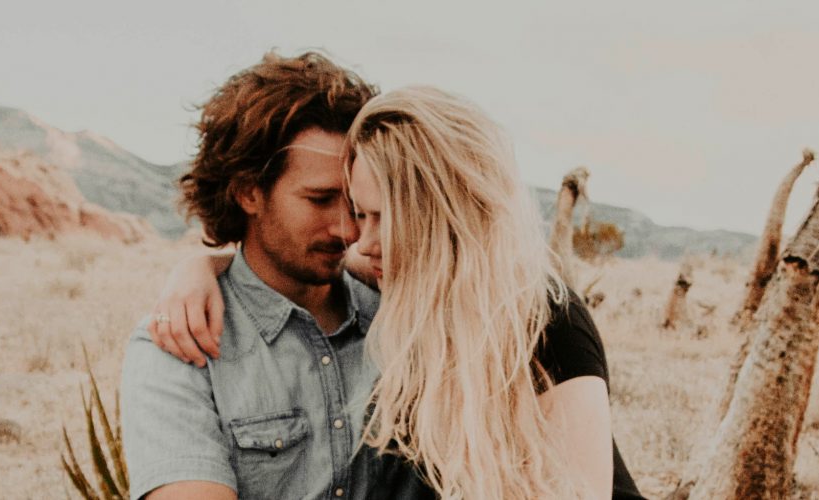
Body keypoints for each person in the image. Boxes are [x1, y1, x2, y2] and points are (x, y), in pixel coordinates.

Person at [147, 86, 644, 499]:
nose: (359, 239)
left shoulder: (543, 318)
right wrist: (202, 267)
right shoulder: (403, 280)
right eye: (361, 214)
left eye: (383, 217)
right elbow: (279, 263)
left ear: (441, 215)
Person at [119, 50, 380, 500]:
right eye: (319, 200)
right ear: (248, 192)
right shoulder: (181, 346)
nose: (348, 230)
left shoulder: (402, 310)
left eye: (355, 204)